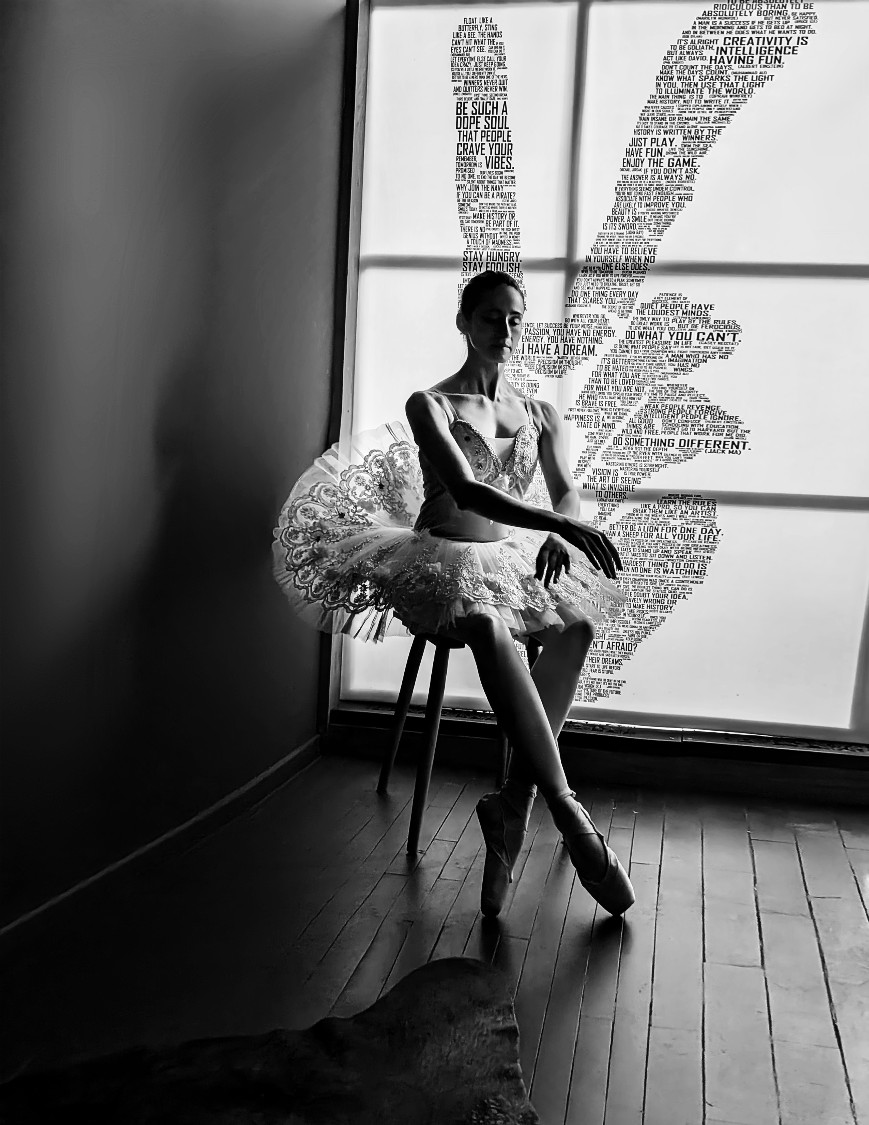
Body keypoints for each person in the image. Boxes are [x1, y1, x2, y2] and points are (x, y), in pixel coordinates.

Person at [273, 270, 634, 918]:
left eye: (515, 318)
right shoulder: (430, 404)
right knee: (486, 623)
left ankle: (513, 802)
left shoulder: (541, 412)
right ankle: (567, 811)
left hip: (507, 555)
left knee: (577, 627)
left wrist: (563, 527)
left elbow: (566, 490)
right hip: (440, 557)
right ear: (464, 322)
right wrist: (559, 524)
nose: (505, 330)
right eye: (491, 316)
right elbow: (466, 491)